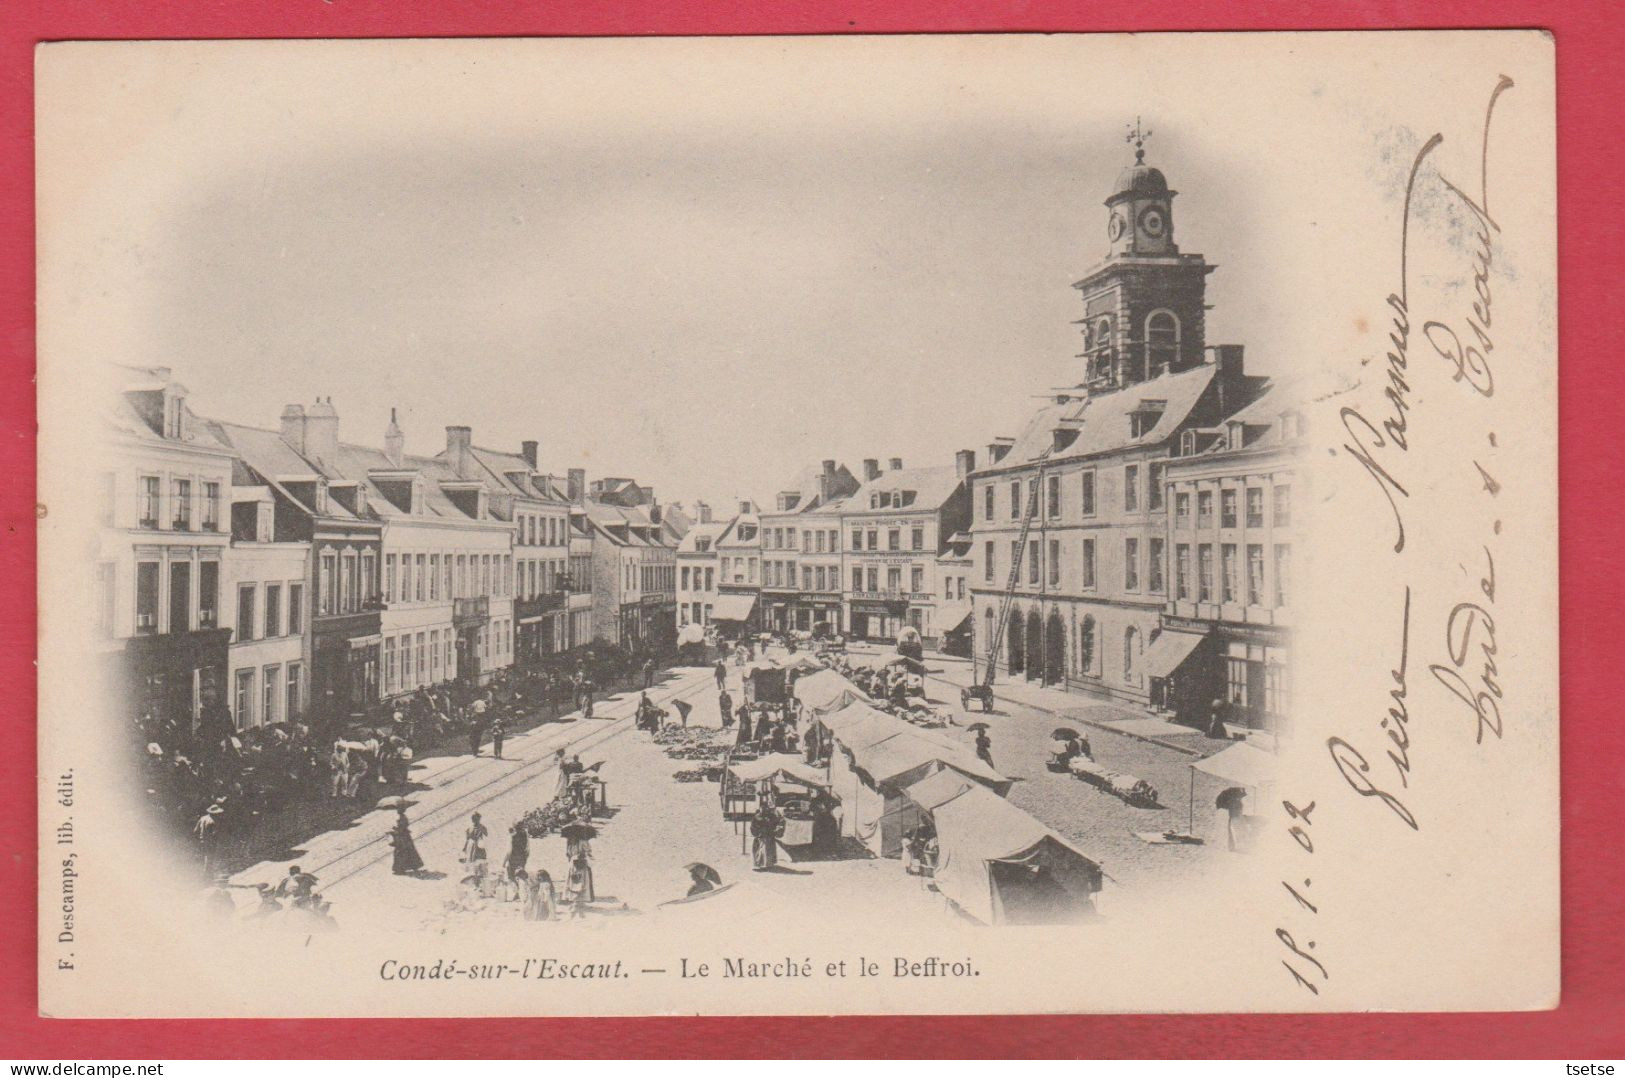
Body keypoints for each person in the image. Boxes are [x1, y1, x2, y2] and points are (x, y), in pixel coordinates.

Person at [389, 805, 425, 876]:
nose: (397, 811)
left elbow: (402, 829)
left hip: (403, 838)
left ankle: (400, 869)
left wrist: (395, 831)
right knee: (408, 852)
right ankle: (411, 867)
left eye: (398, 809)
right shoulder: (402, 817)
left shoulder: (403, 818)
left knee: (402, 853)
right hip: (405, 837)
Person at [750, 801, 783, 871]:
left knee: (768, 850)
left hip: (769, 835)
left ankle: (768, 864)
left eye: (765, 808)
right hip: (760, 836)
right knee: (759, 850)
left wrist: (776, 829)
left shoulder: (771, 816)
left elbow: (777, 822)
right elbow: (753, 826)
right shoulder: (757, 817)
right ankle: (758, 864)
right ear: (760, 808)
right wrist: (757, 833)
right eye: (762, 808)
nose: (763, 809)